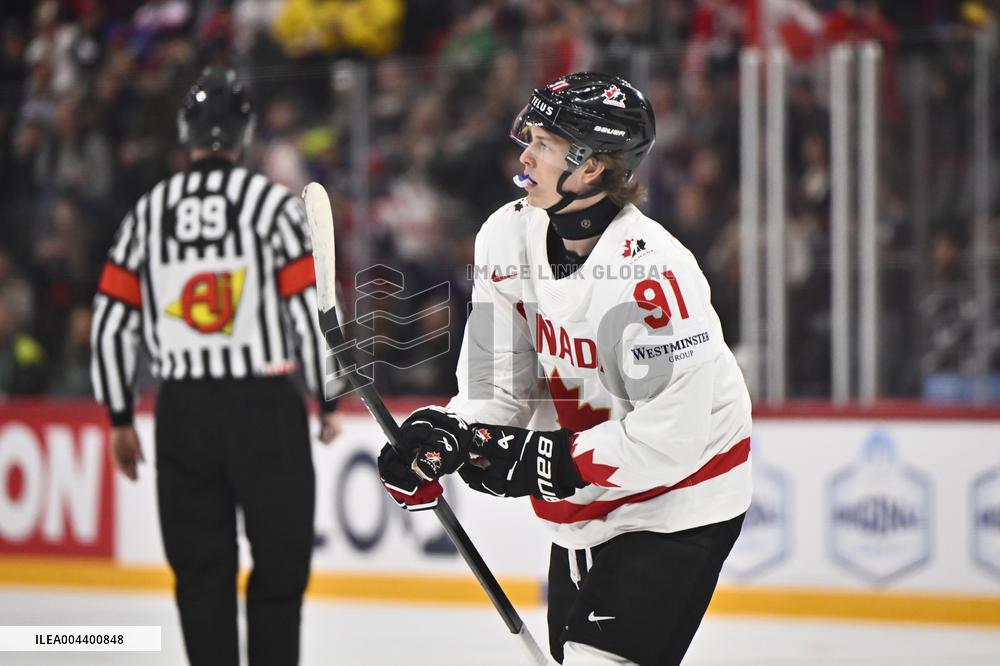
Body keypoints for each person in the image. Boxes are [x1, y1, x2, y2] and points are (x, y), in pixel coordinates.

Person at [377, 72, 752, 665]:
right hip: (584, 504)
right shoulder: (506, 237)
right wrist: (448, 436)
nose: (525, 156)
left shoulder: (653, 276)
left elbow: (672, 438)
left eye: (545, 144)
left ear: (593, 167)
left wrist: (548, 460)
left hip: (679, 498)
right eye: (530, 138)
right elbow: (497, 383)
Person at [90, 67, 343, 666]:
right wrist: (328, 395)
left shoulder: (149, 211)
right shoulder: (269, 206)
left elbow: (111, 322)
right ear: (244, 134)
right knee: (279, 570)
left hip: (184, 412)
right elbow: (312, 308)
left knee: (200, 575)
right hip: (265, 408)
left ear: (187, 133)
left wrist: (119, 417)